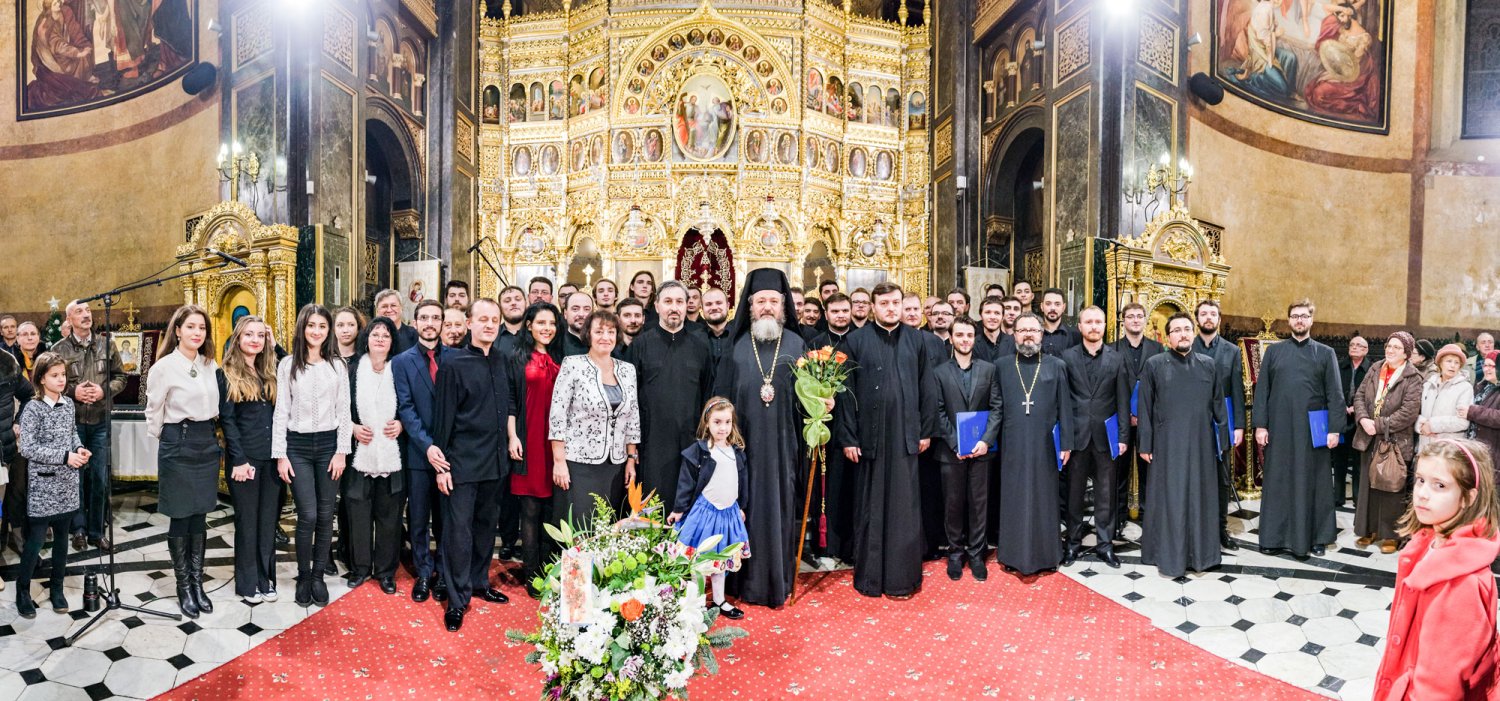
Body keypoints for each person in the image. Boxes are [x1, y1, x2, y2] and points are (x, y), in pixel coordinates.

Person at [1372, 438, 1500, 700]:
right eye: (1420, 480)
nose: (1422, 493)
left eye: (1439, 485)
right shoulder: (1429, 544)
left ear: (1468, 497)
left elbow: (1439, 686)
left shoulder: (1459, 582)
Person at [711, 269, 807, 607]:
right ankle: (742, 584)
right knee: (743, 510)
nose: (767, 307)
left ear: (784, 306)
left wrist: (823, 404)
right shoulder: (735, 346)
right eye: (761, 301)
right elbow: (719, 401)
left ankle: (778, 581)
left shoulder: (797, 344)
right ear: (749, 306)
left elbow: (809, 399)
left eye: (774, 301)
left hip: (783, 447)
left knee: (779, 509)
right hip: (742, 448)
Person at [839, 282, 936, 598]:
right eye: (885, 304)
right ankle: (870, 579)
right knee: (870, 507)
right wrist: (849, 437)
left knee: (904, 509)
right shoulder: (855, 341)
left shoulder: (917, 340)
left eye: (896, 302)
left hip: (906, 436)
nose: (891, 308)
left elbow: (927, 387)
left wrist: (924, 430)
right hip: (870, 439)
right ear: (873, 306)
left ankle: (902, 580)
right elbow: (845, 392)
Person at [431, 298, 516, 631]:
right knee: (458, 534)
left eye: (494, 320)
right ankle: (456, 599)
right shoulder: (453, 363)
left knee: (485, 530)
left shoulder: (502, 360)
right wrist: (443, 467)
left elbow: (507, 402)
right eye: (483, 319)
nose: (489, 325)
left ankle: (480, 582)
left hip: (495, 462)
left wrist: (511, 438)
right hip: (462, 464)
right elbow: (444, 420)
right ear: (469, 324)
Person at [144, 305, 225, 618]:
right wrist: (168, 438)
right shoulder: (164, 367)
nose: (197, 333)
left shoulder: (209, 364)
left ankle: (197, 582)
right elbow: (154, 410)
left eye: (202, 328)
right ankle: (183, 586)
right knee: (181, 514)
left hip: (205, 440)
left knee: (200, 514)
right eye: (191, 327)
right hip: (178, 439)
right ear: (177, 330)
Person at [1137, 313, 1229, 579]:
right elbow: (1145, 407)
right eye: (1176, 330)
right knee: (1170, 498)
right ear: (1168, 337)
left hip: (1201, 444)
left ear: (1194, 332)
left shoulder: (1208, 365)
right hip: (1166, 444)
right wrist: (1146, 443)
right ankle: (1165, 554)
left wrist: (1221, 442)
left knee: (1200, 497)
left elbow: (1219, 406)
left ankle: (1202, 554)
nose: (1183, 334)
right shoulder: (1154, 364)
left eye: (1187, 329)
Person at [274, 304, 353, 608]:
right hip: (298, 447)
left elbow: (344, 412)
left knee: (324, 514)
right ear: (302, 328)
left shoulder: (337, 366)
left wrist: (342, 452)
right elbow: (281, 411)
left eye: (322, 326)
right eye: (311, 325)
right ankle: (304, 575)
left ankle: (318, 576)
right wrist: (281, 455)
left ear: (328, 330)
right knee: (306, 514)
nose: (316, 331)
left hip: (329, 448)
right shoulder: (288, 365)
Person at [1253, 299, 1345, 559]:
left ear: (1311, 320)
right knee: (1278, 481)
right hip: (1280, 428)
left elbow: (1335, 394)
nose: (1300, 320)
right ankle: (1273, 537)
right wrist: (1261, 425)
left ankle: (1317, 537)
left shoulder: (1325, 353)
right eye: (1295, 316)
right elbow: (1263, 392)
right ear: (1289, 320)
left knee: (1313, 482)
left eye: (1304, 316)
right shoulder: (1274, 352)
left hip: (1312, 430)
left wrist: (1335, 429)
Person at [993, 313, 1074, 575]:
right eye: (1022, 330)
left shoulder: (1056, 365)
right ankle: (1011, 554)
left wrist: (1067, 444)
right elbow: (996, 407)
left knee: (1045, 498)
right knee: (1014, 497)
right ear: (1013, 334)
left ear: (1042, 334)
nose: (1028, 334)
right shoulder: (1002, 365)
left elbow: (1065, 408)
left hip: (1045, 444)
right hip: (1013, 443)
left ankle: (1047, 554)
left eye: (1033, 330)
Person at [549, 310, 641, 529]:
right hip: (579, 463)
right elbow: (557, 414)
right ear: (588, 334)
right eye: (599, 331)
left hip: (615, 464)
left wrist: (630, 458)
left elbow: (633, 417)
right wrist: (559, 461)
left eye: (611, 332)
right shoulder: (573, 364)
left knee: (607, 527)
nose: (605, 337)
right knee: (580, 528)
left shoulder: (627, 370)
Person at [628, 282, 714, 514]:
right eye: (667, 302)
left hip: (691, 438)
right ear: (656, 306)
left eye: (679, 302)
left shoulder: (701, 345)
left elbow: (708, 393)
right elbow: (630, 397)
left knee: (690, 500)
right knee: (653, 503)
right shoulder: (641, 344)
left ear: (687, 306)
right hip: (652, 440)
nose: (673, 308)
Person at [13, 353, 87, 619]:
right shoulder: (32, 409)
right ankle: (22, 591)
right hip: (44, 485)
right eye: (54, 375)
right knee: (35, 542)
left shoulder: (68, 404)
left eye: (63, 375)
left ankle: (57, 588)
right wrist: (65, 456)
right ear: (41, 378)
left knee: (62, 542)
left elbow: (72, 433)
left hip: (67, 483)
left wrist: (78, 448)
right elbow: (29, 448)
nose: (61, 380)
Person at [52, 300, 126, 554]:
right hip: (72, 425)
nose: (86, 315)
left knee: (99, 479)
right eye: (79, 312)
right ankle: (79, 531)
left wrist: (103, 390)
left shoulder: (107, 344)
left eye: (88, 311)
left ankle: (97, 532)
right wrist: (74, 392)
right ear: (69, 318)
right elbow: (52, 385)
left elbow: (121, 377)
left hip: (100, 422)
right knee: (76, 480)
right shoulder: (58, 349)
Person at [931, 317, 1002, 581]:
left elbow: (997, 408)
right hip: (951, 452)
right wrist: (955, 443)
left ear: (975, 338)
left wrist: (985, 440)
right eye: (959, 335)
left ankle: (976, 554)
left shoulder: (989, 369)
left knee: (979, 504)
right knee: (953, 504)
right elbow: (938, 411)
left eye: (969, 335)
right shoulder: (939, 372)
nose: (964, 340)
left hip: (983, 451)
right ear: (951, 338)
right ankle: (955, 553)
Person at [668, 397, 751, 620]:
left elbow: (742, 480)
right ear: (707, 423)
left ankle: (719, 600)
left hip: (727, 514)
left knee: (720, 560)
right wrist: (678, 509)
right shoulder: (700, 451)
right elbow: (686, 482)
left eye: (727, 422)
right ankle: (696, 602)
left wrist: (741, 506)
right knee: (701, 561)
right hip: (705, 514)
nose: (722, 428)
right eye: (717, 422)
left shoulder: (737, 451)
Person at [393, 299, 453, 604]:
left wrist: (444, 448)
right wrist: (427, 446)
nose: (430, 322)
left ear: (443, 323)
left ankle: (442, 572)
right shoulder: (401, 362)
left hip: (449, 455)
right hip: (418, 454)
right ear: (415, 323)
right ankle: (423, 573)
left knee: (445, 518)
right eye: (425, 317)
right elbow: (406, 408)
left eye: (436, 317)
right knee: (418, 518)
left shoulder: (456, 358)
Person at [219, 315, 282, 605]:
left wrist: (274, 343)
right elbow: (228, 423)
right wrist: (239, 460)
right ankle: (247, 583)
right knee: (247, 522)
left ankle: (265, 578)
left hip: (271, 459)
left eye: (260, 335)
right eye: (248, 335)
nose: (254, 340)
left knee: (268, 521)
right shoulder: (226, 374)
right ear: (237, 339)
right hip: (245, 461)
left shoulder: (269, 372)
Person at [1060, 306, 1129, 568]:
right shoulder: (1067, 357)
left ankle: (1105, 545)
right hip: (1076, 438)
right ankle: (1073, 545)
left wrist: (1122, 436)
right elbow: (1063, 402)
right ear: (1079, 326)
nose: (1093, 326)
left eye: (1098, 322)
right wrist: (1064, 439)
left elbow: (1123, 400)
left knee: (1105, 494)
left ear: (1105, 325)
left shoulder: (1117, 358)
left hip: (1105, 438)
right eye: (1088, 322)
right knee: (1074, 495)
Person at [506, 303, 564, 598]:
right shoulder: (517, 357)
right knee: (529, 510)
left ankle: (549, 569)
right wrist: (512, 437)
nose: (547, 328)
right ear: (529, 325)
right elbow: (511, 401)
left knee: (550, 511)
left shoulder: (560, 357)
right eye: (541, 322)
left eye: (551, 323)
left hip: (554, 443)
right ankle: (531, 575)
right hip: (529, 441)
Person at [345, 318, 405, 594]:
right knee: (358, 512)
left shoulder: (400, 368)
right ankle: (360, 568)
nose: (380, 339)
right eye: (375, 334)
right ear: (366, 338)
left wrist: (402, 423)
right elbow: (339, 408)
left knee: (389, 516)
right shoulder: (353, 369)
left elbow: (410, 403)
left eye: (386, 335)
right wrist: (353, 427)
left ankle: (385, 572)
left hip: (392, 454)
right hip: (360, 453)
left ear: (393, 341)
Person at [1351, 332, 1424, 554]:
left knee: (1391, 488)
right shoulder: (1375, 369)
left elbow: (1409, 412)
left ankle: (1391, 535)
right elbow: (1359, 397)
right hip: (1369, 437)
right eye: (1388, 346)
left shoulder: (1413, 377)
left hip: (1395, 441)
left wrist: (1379, 425)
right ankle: (1369, 530)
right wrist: (1363, 419)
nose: (1390, 350)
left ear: (1407, 353)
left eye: (1396, 348)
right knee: (1368, 487)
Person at [1192, 299, 1246, 550]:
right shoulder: (1186, 346)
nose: (1208, 318)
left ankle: (1220, 528)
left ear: (1219, 319)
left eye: (1213, 314)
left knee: (1222, 478)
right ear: (1197, 319)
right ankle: (1193, 528)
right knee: (1194, 476)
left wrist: (1238, 428)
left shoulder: (1232, 351)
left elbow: (1237, 390)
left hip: (1221, 423)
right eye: (1203, 314)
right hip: (1193, 422)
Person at [1112, 302, 1163, 534]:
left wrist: (1145, 416)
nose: (1135, 320)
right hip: (1120, 421)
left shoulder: (1158, 349)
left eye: (1139, 316)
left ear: (1145, 319)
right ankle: (1119, 515)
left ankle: (1147, 514)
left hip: (1148, 422)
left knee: (1148, 471)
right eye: (1130, 316)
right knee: (1118, 471)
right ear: (1123, 321)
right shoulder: (1111, 349)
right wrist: (1126, 416)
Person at [1335, 335, 1372, 506]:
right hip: (1340, 417)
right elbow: (1332, 388)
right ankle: (1338, 496)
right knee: (1339, 459)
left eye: (1358, 345)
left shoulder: (1372, 369)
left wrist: (1356, 409)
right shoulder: (1339, 365)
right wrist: (1340, 406)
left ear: (1365, 350)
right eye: (1351, 344)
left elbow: (1372, 396)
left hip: (1361, 420)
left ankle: (1358, 498)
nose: (1354, 347)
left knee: (1359, 461)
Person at [1418, 344, 1474, 452]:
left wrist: (1432, 425)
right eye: (1449, 361)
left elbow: (1462, 422)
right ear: (1440, 363)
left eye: (1456, 362)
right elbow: (1417, 413)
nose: (1452, 365)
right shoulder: (1428, 385)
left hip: (1448, 451)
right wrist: (1420, 426)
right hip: (1424, 447)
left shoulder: (1465, 388)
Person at [1462, 353, 1500, 478]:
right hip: (1476, 447)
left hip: (1493, 453)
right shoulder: (1482, 386)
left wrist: (1473, 412)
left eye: (1492, 366)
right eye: (1485, 365)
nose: (1486, 369)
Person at [374, 289, 420, 354]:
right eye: (384, 306)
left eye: (393, 305)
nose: (389, 310)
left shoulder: (415, 335)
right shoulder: (369, 336)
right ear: (377, 311)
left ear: (401, 308)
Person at [1038, 288, 1079, 357]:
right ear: (1042, 306)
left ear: (1063, 307)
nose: (1053, 308)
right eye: (1048, 304)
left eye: (1057, 304)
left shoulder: (1075, 335)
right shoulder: (1033, 334)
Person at [700, 286, 733, 371]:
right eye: (708, 304)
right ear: (702, 308)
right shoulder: (693, 339)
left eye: (718, 303)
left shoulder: (740, 336)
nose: (714, 308)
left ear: (727, 306)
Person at [974, 296, 1014, 363]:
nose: (992, 317)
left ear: (1002, 317)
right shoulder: (973, 344)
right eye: (988, 312)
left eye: (997, 313)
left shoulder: (1013, 343)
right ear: (981, 315)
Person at [561, 291, 594, 356]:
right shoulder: (556, 343)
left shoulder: (603, 341)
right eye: (575, 309)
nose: (581, 314)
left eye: (586, 309)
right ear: (565, 313)